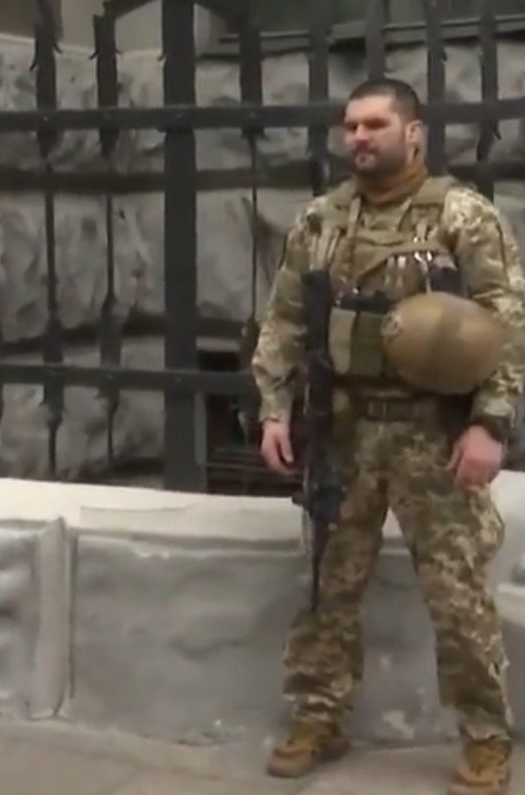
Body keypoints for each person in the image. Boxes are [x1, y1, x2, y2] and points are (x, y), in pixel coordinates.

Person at [251, 77, 524, 795]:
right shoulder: (321, 221)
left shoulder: (461, 215)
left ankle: (485, 736)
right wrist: (274, 407)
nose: (359, 138)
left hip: (432, 433)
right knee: (328, 586)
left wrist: (490, 423)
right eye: (351, 126)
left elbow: (506, 322)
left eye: (375, 124)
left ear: (413, 132)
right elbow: (284, 319)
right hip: (342, 430)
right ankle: (319, 715)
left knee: (457, 595)